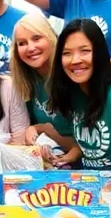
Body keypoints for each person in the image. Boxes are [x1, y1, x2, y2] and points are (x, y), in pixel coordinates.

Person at [48, 20, 111, 176]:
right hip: (91, 190)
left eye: (84, 51)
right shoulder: (74, 93)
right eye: (67, 53)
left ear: (99, 53)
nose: (75, 60)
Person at [9, 14, 80, 166]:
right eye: (22, 43)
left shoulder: (71, 76)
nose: (30, 48)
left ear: (50, 37)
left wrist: (45, 130)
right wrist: (35, 130)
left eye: (36, 38)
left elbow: (85, 145)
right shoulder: (27, 81)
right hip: (52, 166)